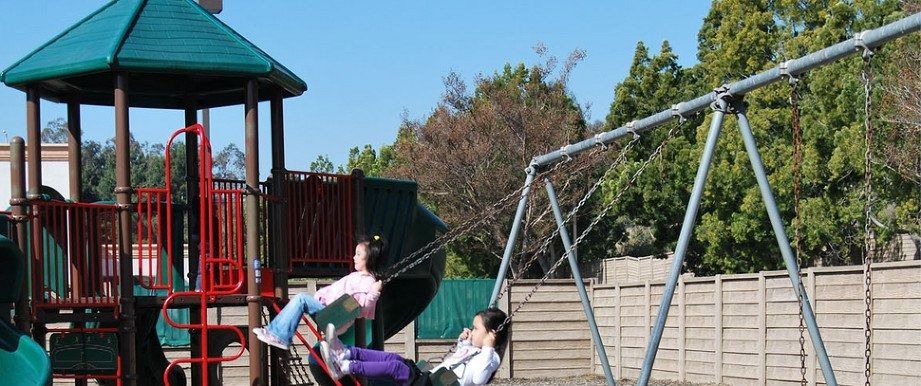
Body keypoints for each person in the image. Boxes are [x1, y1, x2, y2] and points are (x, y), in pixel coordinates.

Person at [253, 235, 386, 350]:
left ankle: (279, 336)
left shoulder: (368, 282)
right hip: (331, 312)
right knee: (301, 300)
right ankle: (275, 332)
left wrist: (374, 293)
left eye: (358, 254)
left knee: (301, 299)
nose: (353, 257)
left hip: (335, 317)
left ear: (369, 259)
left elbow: (365, 308)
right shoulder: (356, 276)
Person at [320, 308, 510, 386]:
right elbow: (459, 361)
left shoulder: (490, 357)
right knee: (392, 358)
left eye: (476, 329)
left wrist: (488, 347)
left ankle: (344, 367)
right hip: (428, 378)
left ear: (491, 335)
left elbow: (478, 379)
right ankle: (345, 352)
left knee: (395, 368)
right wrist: (465, 342)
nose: (472, 330)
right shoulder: (477, 350)